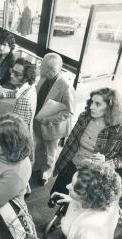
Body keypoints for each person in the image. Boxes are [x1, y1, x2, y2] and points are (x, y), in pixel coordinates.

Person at [51, 87, 122, 207]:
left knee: (80, 205)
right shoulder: (84, 117)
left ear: (110, 107)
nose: (92, 106)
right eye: (92, 102)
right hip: (72, 164)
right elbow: (71, 143)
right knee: (59, 196)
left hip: (92, 175)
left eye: (97, 104)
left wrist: (107, 162)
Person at [51, 162, 122, 239]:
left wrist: (67, 230)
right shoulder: (108, 199)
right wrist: (73, 199)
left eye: (73, 187)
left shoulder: (91, 229)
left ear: (87, 198)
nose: (67, 186)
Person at [34, 53, 75, 185]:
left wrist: (50, 120)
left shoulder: (66, 86)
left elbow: (69, 111)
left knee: (50, 152)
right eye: (45, 69)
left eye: (52, 70)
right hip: (37, 119)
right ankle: (37, 167)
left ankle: (45, 174)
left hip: (52, 125)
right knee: (38, 146)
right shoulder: (43, 76)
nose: (48, 73)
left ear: (59, 68)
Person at [0, 58, 37, 136]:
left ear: (26, 77)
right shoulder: (29, 87)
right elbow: (17, 92)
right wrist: (3, 95)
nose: (11, 75)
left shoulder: (23, 100)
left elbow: (16, 127)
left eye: (16, 74)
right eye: (12, 71)